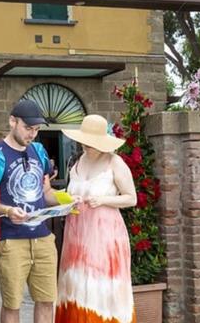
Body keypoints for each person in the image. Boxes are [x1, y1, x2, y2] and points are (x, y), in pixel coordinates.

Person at [0, 99, 60, 323]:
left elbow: (46, 193)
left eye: (37, 129)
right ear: (13, 121)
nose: (32, 134)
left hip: (43, 239)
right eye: (28, 128)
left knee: (46, 301)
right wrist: (8, 210)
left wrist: (68, 199)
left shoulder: (39, 152)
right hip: (9, 241)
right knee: (12, 304)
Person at [55, 114, 137, 323]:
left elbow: (131, 198)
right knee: (76, 285)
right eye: (84, 141)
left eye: (91, 142)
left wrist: (103, 200)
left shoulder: (114, 163)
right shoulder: (77, 162)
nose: (86, 146)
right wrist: (69, 199)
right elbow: (71, 191)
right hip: (76, 235)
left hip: (104, 235)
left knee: (99, 288)